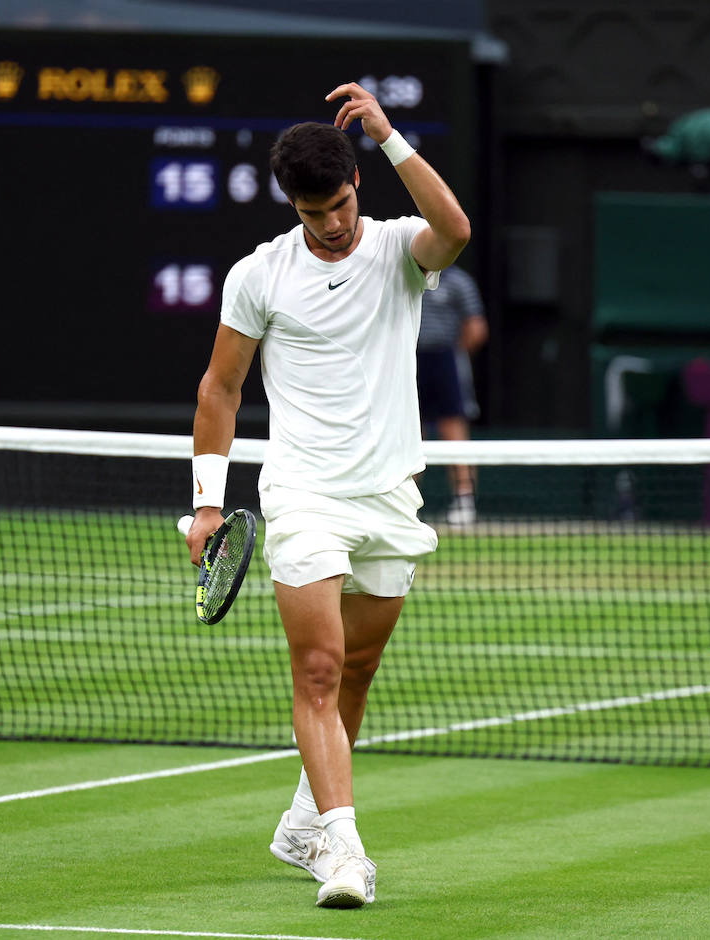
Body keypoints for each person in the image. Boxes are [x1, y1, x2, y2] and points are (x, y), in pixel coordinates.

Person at [186, 82, 470, 909]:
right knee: (316, 670)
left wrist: (389, 135)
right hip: (303, 492)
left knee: (358, 669)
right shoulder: (259, 274)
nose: (334, 224)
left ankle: (303, 818)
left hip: (388, 495)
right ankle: (343, 852)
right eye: (316, 214)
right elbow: (219, 388)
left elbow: (454, 230)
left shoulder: (396, 249)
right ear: (293, 205)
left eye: (342, 205)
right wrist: (210, 501)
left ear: (358, 185)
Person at [416, 265, 487, 525]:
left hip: (446, 360)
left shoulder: (459, 281)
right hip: (409, 360)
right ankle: (407, 504)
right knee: (410, 433)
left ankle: (464, 501)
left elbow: (476, 328)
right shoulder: (404, 275)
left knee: (453, 429)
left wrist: (455, 355)